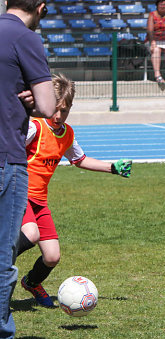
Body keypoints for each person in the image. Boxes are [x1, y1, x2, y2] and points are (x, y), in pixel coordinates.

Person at [16, 74, 132, 308]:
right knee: (31, 234)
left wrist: (112, 168)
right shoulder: (35, 127)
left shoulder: (66, 134)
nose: (59, 116)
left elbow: (80, 159)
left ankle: (32, 282)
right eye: (56, 109)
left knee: (52, 257)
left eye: (65, 111)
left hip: (40, 201)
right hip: (19, 194)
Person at [0, 0, 57, 339]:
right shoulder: (26, 37)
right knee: (3, 259)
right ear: (39, 6)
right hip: (5, 156)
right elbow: (50, 106)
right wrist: (33, 103)